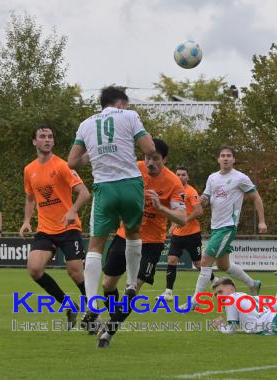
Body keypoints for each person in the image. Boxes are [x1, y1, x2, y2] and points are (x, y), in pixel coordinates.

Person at [67, 86, 155, 326]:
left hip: (104, 187)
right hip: (130, 183)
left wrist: (94, 155)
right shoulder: (129, 115)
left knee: (96, 245)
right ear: (119, 104)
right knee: (134, 233)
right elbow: (149, 148)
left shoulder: (86, 124)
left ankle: (93, 302)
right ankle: (129, 285)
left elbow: (72, 161)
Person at [97, 138, 186, 348]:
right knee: (107, 285)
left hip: (152, 244)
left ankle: (108, 333)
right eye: (148, 158)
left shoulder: (173, 183)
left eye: (155, 159)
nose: (150, 163)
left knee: (133, 288)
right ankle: (115, 319)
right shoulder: (134, 169)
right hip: (125, 235)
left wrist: (160, 207)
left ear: (164, 159)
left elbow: (181, 218)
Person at [19, 125, 91, 329]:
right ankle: (69, 306)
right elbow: (30, 198)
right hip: (45, 229)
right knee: (34, 269)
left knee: (75, 271)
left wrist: (72, 211)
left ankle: (93, 312)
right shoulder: (29, 170)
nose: (47, 139)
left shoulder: (62, 166)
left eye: (50, 136)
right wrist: (26, 221)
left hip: (68, 228)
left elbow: (84, 193)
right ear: (34, 141)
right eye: (42, 136)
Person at [184, 145, 267, 309]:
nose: (225, 158)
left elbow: (257, 198)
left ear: (233, 160)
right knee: (223, 266)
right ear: (218, 159)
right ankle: (253, 283)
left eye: (229, 155)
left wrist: (262, 221)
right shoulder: (212, 178)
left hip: (227, 227)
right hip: (216, 227)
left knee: (205, 262)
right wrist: (202, 200)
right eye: (222, 155)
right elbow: (207, 199)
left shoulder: (240, 178)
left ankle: (194, 303)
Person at [160, 166, 216, 301]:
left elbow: (199, 211)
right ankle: (168, 292)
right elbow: (176, 211)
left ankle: (215, 280)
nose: (180, 177)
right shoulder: (173, 191)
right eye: (178, 174)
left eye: (183, 175)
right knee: (172, 260)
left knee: (198, 264)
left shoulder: (191, 191)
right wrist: (173, 224)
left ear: (187, 177)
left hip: (192, 234)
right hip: (177, 235)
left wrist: (184, 220)